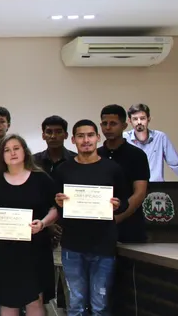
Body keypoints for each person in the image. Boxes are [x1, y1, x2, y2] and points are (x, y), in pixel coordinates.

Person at [53, 119, 129, 316]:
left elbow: (125, 201)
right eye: (80, 136)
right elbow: (54, 205)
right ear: (73, 140)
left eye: (89, 135)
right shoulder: (63, 170)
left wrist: (118, 205)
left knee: (100, 305)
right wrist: (58, 202)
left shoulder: (112, 168)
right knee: (76, 305)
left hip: (103, 245)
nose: (85, 140)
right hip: (72, 246)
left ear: (97, 138)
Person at [0, 134, 58, 316]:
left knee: (34, 300)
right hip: (3, 251)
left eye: (16, 148)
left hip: (34, 249)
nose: (12, 153)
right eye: (7, 150)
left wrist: (44, 223)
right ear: (1, 156)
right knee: (7, 301)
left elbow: (55, 208)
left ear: (25, 151)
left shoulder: (41, 179)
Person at [98, 104, 150, 243]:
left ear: (124, 125)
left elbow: (139, 194)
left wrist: (117, 218)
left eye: (113, 123)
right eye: (104, 123)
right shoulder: (95, 154)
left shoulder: (137, 155)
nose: (108, 128)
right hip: (98, 229)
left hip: (129, 227)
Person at [124, 103, 178, 182]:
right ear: (130, 121)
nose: (139, 122)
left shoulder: (160, 137)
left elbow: (177, 164)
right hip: (131, 188)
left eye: (142, 118)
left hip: (156, 188)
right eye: (135, 119)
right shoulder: (124, 138)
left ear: (149, 119)